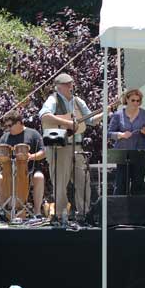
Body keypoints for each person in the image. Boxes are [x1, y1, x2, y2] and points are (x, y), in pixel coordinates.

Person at [39, 73, 106, 220]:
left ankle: (84, 214)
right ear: (59, 87)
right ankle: (61, 215)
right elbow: (44, 116)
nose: (70, 86)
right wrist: (68, 123)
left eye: (71, 83)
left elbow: (91, 120)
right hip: (59, 148)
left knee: (83, 180)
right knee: (60, 183)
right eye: (66, 84)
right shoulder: (53, 99)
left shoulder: (78, 101)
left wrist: (105, 112)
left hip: (77, 147)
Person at [0, 110, 46, 218]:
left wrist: (32, 156)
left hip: (30, 169)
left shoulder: (33, 133)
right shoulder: (5, 137)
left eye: (10, 125)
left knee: (39, 177)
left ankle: (37, 212)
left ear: (19, 122)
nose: (8, 129)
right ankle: (6, 211)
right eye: (6, 126)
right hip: (9, 170)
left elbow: (44, 152)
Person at [108, 88, 145, 196]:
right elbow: (109, 133)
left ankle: (138, 210)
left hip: (141, 151)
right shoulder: (118, 115)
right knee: (121, 183)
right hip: (122, 153)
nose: (136, 103)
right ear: (127, 99)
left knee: (138, 183)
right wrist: (120, 135)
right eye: (133, 100)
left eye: (138, 101)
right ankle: (119, 209)